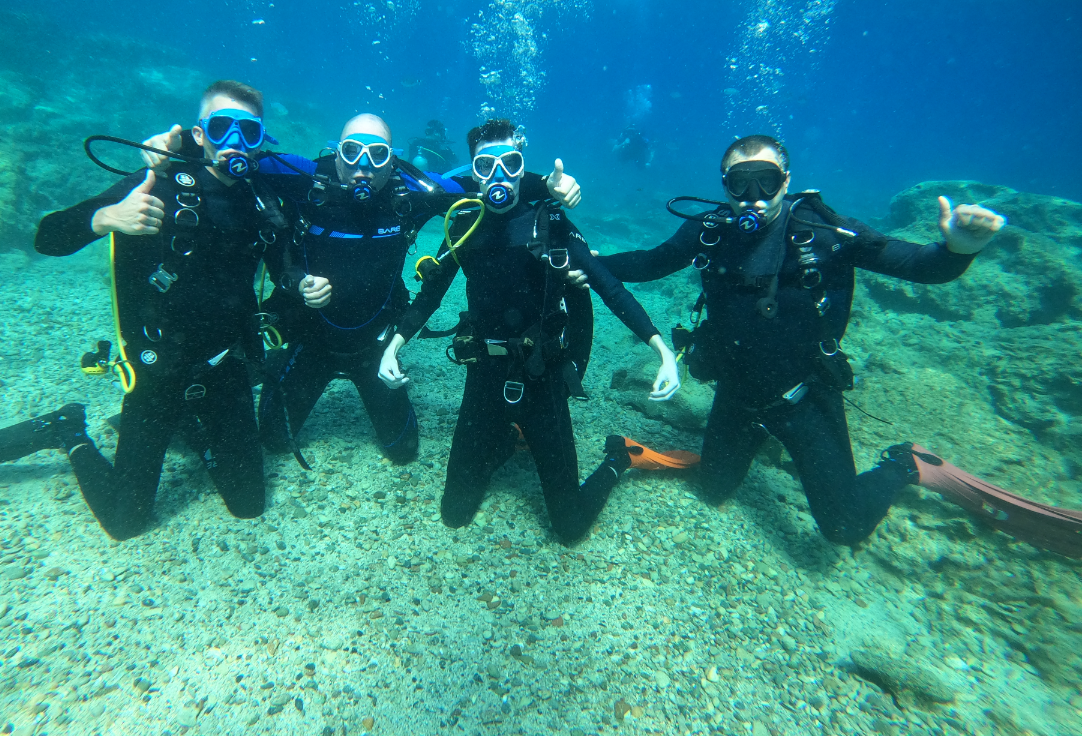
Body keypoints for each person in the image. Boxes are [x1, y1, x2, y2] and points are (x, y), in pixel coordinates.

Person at [0, 80, 288, 541]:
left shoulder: (264, 197)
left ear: (261, 140)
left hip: (226, 368)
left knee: (250, 506)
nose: (234, 141)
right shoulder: (159, 182)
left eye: (248, 132)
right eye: (221, 126)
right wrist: (105, 219)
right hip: (158, 371)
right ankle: (66, 430)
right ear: (200, 134)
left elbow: (319, 186)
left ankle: (194, 428)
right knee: (124, 521)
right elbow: (48, 236)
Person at [594, 134, 1007, 545]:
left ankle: (904, 464)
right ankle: (757, 435)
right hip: (738, 392)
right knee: (713, 489)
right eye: (741, 183)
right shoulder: (710, 232)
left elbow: (919, 266)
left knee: (844, 526)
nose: (753, 196)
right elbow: (649, 262)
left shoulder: (824, 231)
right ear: (725, 186)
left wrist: (957, 249)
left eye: (767, 182)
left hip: (805, 395)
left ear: (786, 182)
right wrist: (592, 265)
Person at [140, 113, 581, 469]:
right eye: (352, 152)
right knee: (272, 440)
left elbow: (490, 183)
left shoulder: (409, 190)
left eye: (377, 153)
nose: (363, 166)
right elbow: (240, 159)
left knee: (404, 451)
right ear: (337, 152)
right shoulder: (306, 177)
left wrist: (546, 184)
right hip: (311, 339)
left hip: (374, 344)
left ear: (393, 160)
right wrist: (180, 148)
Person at [378, 118, 681, 543]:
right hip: (483, 373)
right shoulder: (463, 223)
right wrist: (394, 345)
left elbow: (608, 285)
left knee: (570, 527)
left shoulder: (551, 222)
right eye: (486, 165)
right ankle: (503, 441)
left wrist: (661, 350)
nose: (499, 175)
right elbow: (429, 295)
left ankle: (619, 459)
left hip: (542, 377)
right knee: (454, 514)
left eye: (511, 162)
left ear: (523, 167)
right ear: (473, 171)